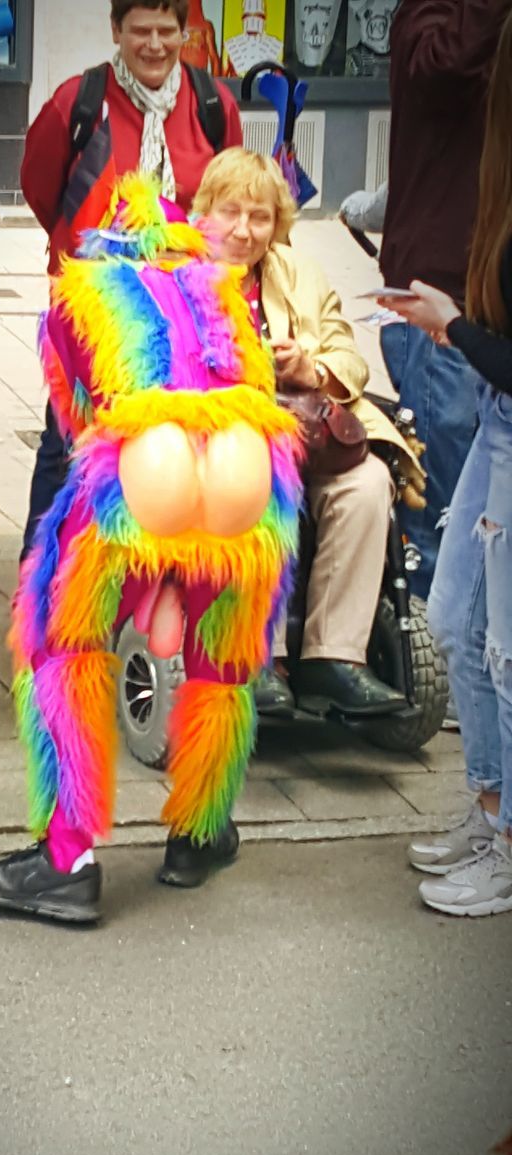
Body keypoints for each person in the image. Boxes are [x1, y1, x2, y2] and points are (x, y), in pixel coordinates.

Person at [0, 173, 303, 924]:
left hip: (147, 463)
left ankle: (66, 860)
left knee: (62, 640)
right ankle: (197, 835)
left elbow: (74, 414)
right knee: (224, 655)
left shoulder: (81, 288)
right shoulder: (222, 287)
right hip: (246, 469)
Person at [193, 147, 425, 716]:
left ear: (278, 224)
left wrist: (310, 367)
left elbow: (350, 356)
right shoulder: (178, 276)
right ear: (205, 214)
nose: (245, 231)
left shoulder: (298, 273)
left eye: (261, 216)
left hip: (310, 436)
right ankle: (258, 656)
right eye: (232, 213)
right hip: (217, 445)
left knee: (368, 481)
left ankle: (334, 656)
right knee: (260, 468)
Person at [19, 0, 242, 557]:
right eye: (140, 31)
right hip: (95, 308)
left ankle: (137, 570)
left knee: (167, 443)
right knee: (68, 441)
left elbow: (229, 198)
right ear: (115, 30)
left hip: (185, 313)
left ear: (185, 32)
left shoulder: (213, 105)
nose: (154, 45)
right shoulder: (78, 102)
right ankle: (41, 583)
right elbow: (42, 188)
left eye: (167, 31)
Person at [388, 8, 512, 917]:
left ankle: (509, 845)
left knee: (504, 651)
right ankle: (489, 805)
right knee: (452, 615)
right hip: (501, 411)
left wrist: (453, 327)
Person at [378, 0, 512, 600]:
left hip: (489, 299)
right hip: (439, 302)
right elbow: (445, 69)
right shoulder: (426, 19)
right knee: (441, 504)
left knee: (486, 509)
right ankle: (428, 661)